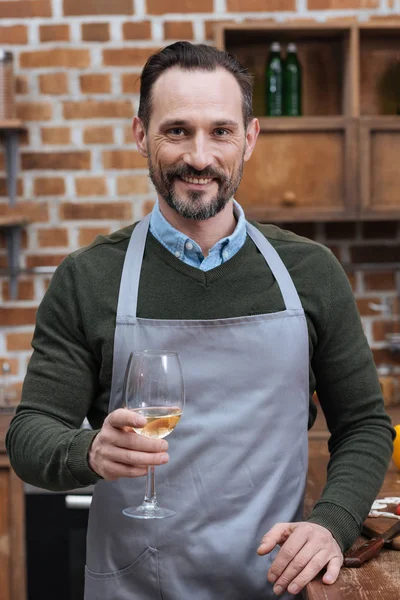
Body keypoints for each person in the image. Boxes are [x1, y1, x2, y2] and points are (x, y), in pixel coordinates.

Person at [6, 42, 394, 600]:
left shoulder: (311, 272)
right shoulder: (89, 279)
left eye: (220, 131)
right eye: (177, 131)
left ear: (250, 138)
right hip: (137, 585)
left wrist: (331, 522)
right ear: (141, 135)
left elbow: (363, 424)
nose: (200, 156)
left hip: (278, 583)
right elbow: (30, 434)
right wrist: (88, 452)